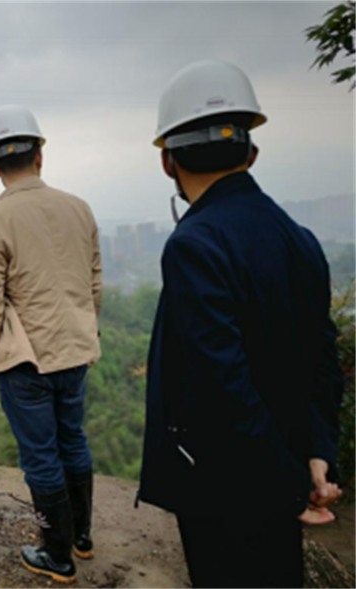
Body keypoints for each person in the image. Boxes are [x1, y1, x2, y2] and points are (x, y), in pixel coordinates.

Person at [138, 60, 344, 589]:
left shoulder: (194, 243)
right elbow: (323, 359)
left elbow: (222, 386)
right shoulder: (300, 239)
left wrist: (288, 484)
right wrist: (316, 455)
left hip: (226, 485)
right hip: (286, 463)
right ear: (251, 152)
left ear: (167, 160)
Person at [0, 105, 103, 583]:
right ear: (40, 156)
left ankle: (57, 555)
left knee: (41, 456)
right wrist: (86, 331)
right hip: (75, 349)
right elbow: (94, 284)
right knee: (73, 440)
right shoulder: (79, 208)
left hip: (25, 359)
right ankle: (82, 539)